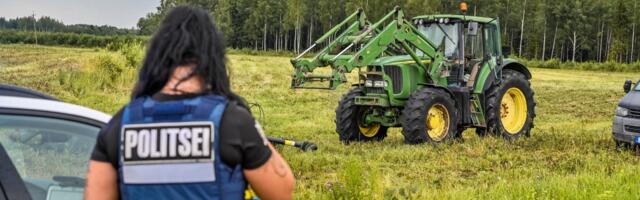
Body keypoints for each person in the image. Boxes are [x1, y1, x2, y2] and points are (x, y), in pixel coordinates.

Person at [84, 6, 295, 200]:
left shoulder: (120, 125)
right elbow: (282, 191)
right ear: (213, 58)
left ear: (157, 55)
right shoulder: (232, 121)